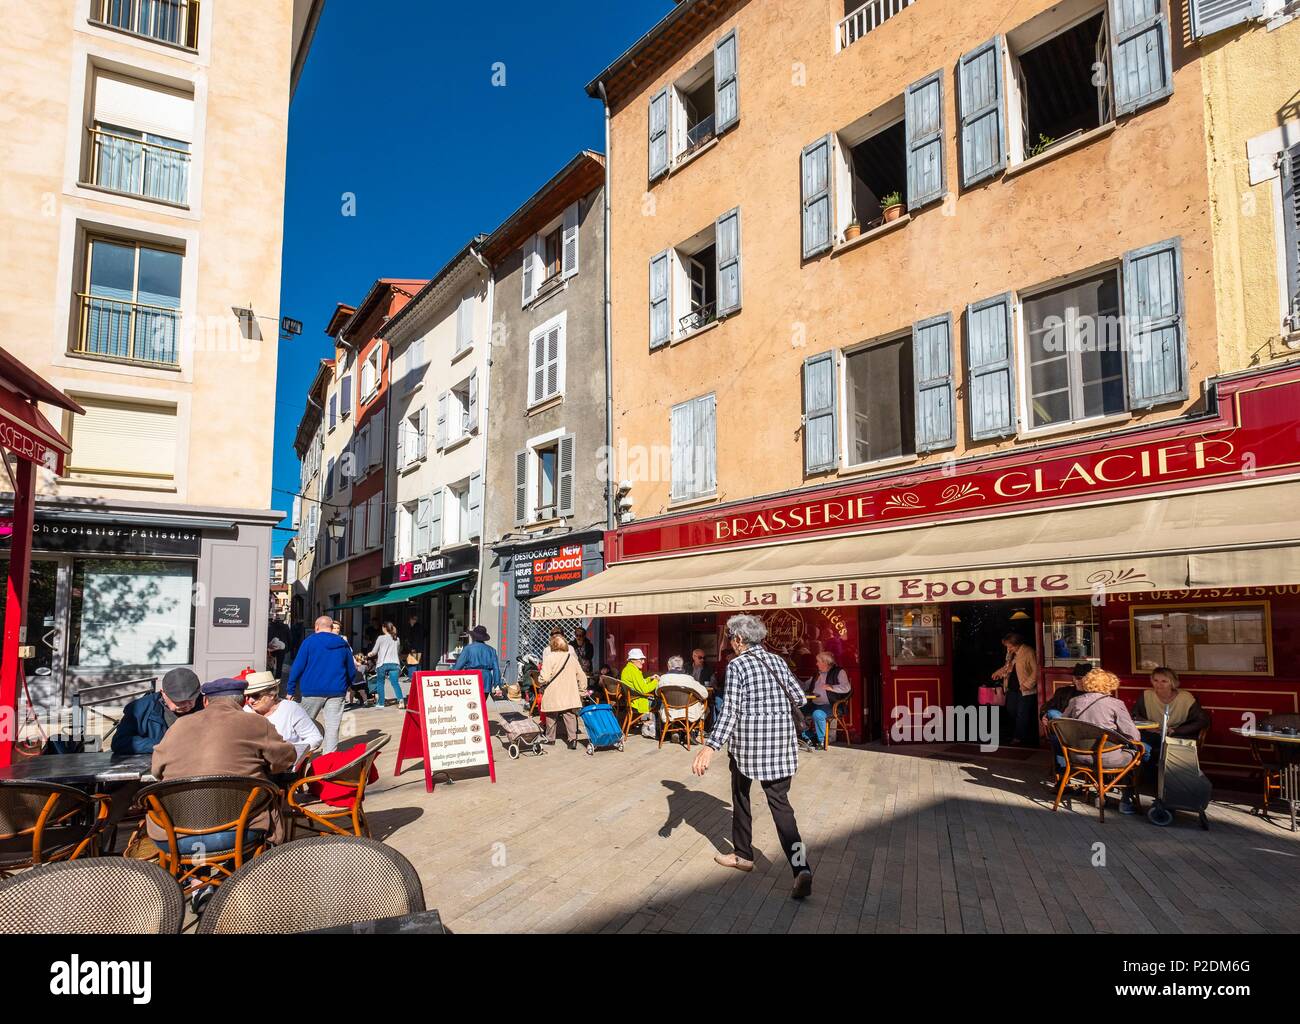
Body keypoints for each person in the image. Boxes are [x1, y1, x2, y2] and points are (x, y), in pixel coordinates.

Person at [692, 614, 813, 900]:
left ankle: (743, 855)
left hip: (749, 747)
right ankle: (800, 868)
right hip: (781, 746)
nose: (730, 644)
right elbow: (799, 697)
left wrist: (710, 746)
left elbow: (731, 709)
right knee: (782, 808)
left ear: (738, 639)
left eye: (731, 639)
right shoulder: (778, 661)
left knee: (742, 798)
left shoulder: (738, 665)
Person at [150, 676, 297, 849]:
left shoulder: (179, 725)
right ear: (243, 701)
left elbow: (156, 771)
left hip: (175, 834)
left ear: (205, 701)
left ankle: (193, 875)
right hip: (238, 830)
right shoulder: (256, 722)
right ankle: (244, 872)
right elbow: (285, 758)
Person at [1062, 668, 1146, 814]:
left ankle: (1099, 794)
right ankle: (1126, 799)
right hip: (1107, 758)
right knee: (1136, 751)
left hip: (1077, 756)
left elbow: (1063, 725)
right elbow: (1133, 736)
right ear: (1110, 685)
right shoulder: (1115, 704)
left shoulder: (1074, 701)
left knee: (1100, 749)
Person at [287, 614, 358, 754]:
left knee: (302, 725)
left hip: (312, 691)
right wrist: (348, 684)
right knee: (333, 727)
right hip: (337, 691)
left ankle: (299, 757)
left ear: (316, 627)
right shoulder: (342, 644)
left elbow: (298, 667)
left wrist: (290, 689)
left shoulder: (309, 642)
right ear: (331, 628)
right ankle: (328, 762)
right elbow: (351, 668)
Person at [111, 668, 202, 755]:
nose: (186, 705)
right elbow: (120, 742)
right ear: (163, 693)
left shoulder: (207, 705)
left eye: (191, 699)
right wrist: (164, 745)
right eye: (179, 700)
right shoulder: (140, 709)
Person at [1132, 666, 1211, 764]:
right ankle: (1150, 778)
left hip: (1176, 735)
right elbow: (1134, 716)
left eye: (1164, 681)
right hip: (1152, 734)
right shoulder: (1146, 695)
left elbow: (1202, 720)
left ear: (1172, 683)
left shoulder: (1185, 697)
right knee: (1141, 748)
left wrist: (1175, 730)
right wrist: (1147, 727)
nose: (1159, 684)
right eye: (1155, 680)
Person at [243, 670, 322, 761]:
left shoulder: (290, 709)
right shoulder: (245, 711)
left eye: (255, 696)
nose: (250, 701)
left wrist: (289, 752)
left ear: (271, 694)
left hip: (284, 765)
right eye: (247, 696)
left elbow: (315, 738)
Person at [537, 634, 587, 750]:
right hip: (569, 692)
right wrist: (582, 690)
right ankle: (572, 739)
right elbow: (582, 676)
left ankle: (550, 739)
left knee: (551, 715)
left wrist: (539, 680)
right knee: (570, 715)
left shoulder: (549, 658)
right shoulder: (572, 658)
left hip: (553, 692)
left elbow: (543, 678)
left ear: (552, 645)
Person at [991, 632, 1039, 747]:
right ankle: (1017, 733)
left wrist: (1027, 684)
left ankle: (1019, 737)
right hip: (1012, 687)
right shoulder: (1011, 653)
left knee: (1022, 713)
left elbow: (1036, 670)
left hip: (1025, 689)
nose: (1008, 648)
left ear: (1017, 644)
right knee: (1011, 710)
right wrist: (999, 672)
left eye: (1010, 646)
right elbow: (1008, 667)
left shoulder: (1029, 652)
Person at [801, 651, 852, 748]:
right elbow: (804, 686)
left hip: (831, 705)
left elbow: (847, 687)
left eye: (818, 661)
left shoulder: (839, 672)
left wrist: (832, 687)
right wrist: (793, 679)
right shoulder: (817, 674)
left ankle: (821, 741)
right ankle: (809, 737)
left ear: (825, 662)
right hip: (814, 704)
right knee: (797, 712)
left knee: (817, 714)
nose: (816, 663)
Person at [657, 655, 709, 738]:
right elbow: (705, 694)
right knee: (706, 706)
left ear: (668, 666)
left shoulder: (663, 679)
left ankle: (676, 731)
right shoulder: (688, 679)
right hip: (689, 712)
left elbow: (657, 694)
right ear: (681, 666)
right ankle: (691, 731)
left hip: (669, 712)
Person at [454, 624, 502, 699]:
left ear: (473, 636)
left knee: (470, 704)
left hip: (471, 677)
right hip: (486, 679)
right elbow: (496, 669)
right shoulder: (491, 650)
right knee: (481, 704)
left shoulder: (468, 649)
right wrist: (497, 685)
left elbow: (457, 667)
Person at [621, 649, 658, 737]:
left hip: (632, 700)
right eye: (641, 659)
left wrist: (650, 679)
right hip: (636, 701)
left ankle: (646, 724)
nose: (643, 662)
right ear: (633, 660)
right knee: (659, 703)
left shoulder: (629, 669)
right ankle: (649, 729)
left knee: (654, 700)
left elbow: (639, 683)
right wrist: (656, 681)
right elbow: (644, 689)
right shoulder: (634, 671)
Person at [368, 621, 404, 708]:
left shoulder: (381, 638)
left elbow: (374, 651)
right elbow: (397, 651)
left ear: (384, 628)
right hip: (394, 663)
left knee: (380, 683)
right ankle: (401, 701)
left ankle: (381, 703)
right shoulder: (397, 639)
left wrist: (369, 654)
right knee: (395, 683)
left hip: (382, 664)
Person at [267, 613, 291, 679]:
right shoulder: (285, 627)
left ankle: (270, 677)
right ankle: (278, 678)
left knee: (271, 663)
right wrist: (288, 647)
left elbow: (267, 637)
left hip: (272, 648)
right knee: (279, 665)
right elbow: (289, 638)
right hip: (282, 648)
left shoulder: (270, 627)